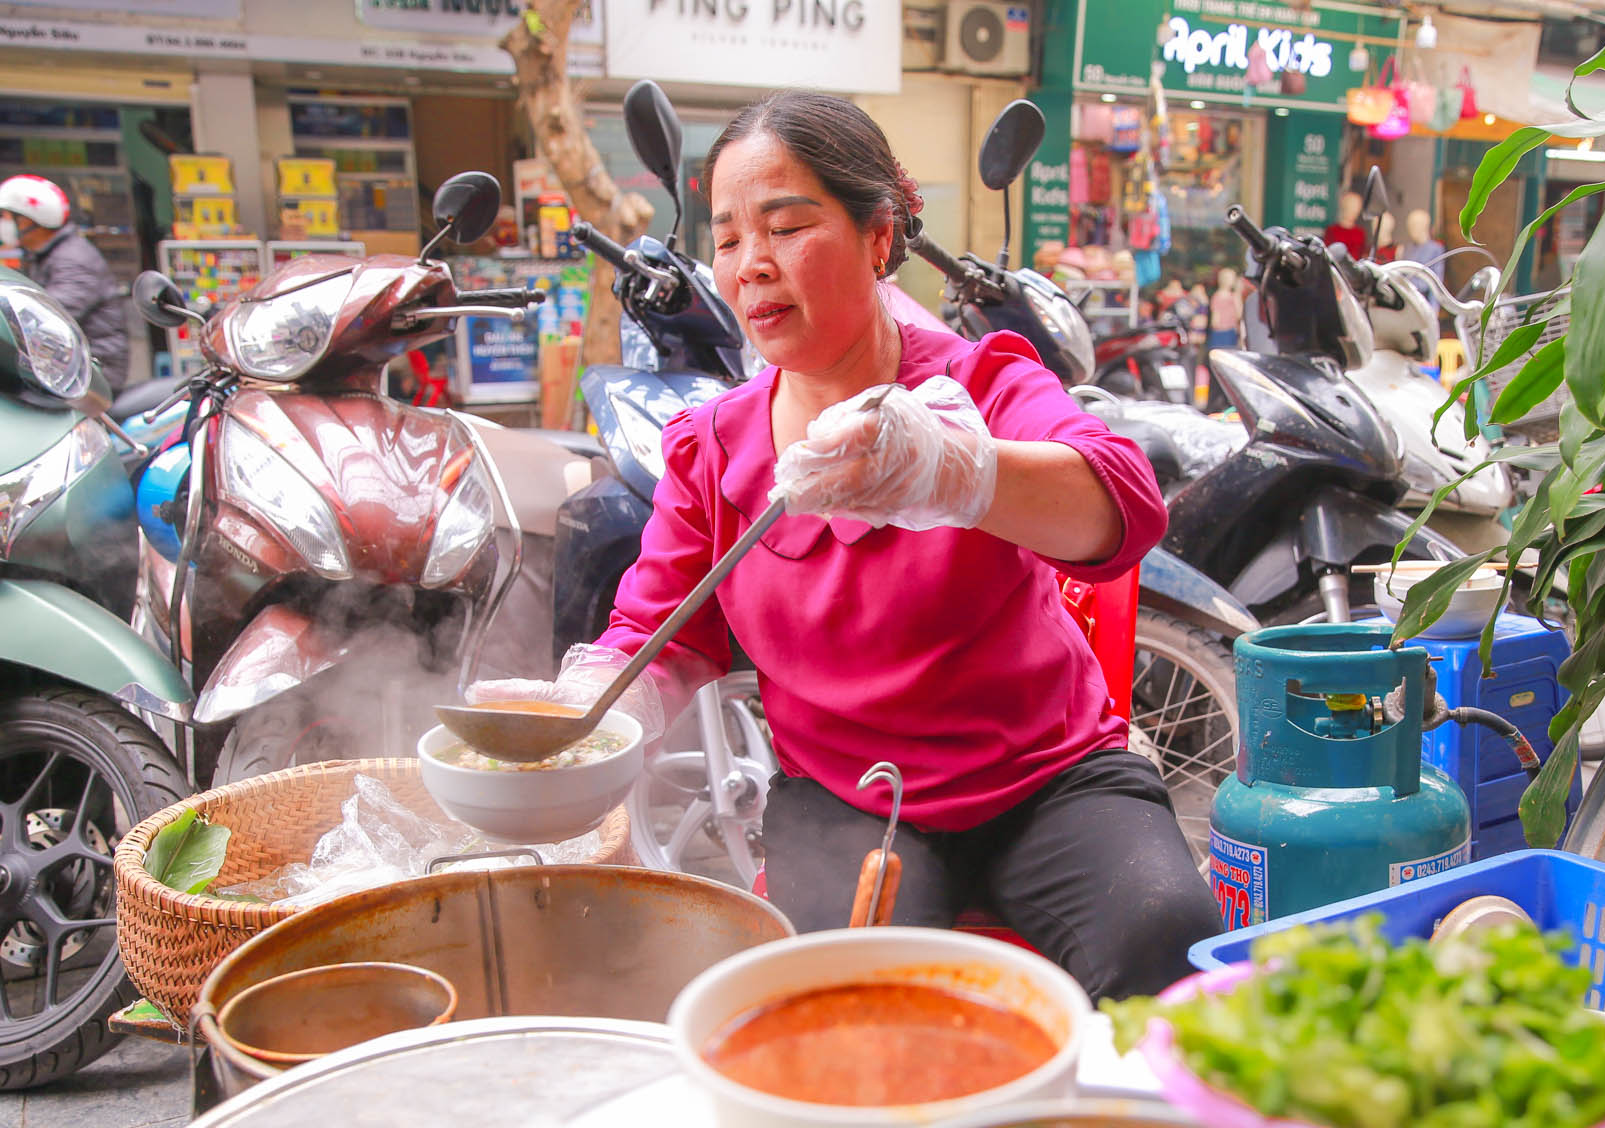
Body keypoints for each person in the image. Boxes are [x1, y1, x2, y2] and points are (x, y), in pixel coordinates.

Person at [487, 93, 1221, 999]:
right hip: (853, 800)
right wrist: (595, 712)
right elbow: (664, 633)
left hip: (1049, 777)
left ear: (880, 237)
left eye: (787, 226)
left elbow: (1123, 506)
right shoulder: (713, 449)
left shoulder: (977, 383)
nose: (751, 265)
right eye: (726, 239)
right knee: (849, 1004)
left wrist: (959, 471)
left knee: (1170, 939)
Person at [0, 174, 128, 391]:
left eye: (6, 216)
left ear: (26, 220)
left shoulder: (73, 260)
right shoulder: (45, 255)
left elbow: (46, 316)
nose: (2, 223)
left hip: (91, 370)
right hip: (64, 364)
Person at [1324, 190, 1369, 258]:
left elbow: (1362, 255)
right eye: (1351, 207)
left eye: (1355, 208)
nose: (1353, 212)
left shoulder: (1360, 233)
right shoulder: (1332, 230)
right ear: (1344, 207)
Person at [1207, 268, 1243, 350]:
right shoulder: (1233, 297)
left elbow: (1215, 320)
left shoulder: (1216, 296)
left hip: (1218, 332)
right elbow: (1239, 314)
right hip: (1229, 332)